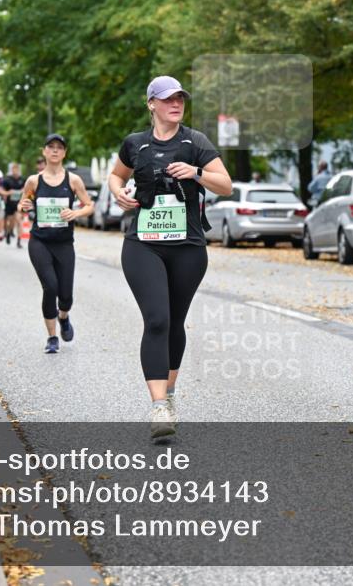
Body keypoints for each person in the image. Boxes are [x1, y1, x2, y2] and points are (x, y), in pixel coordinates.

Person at [108, 75, 232, 441]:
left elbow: (226, 185)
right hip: (142, 243)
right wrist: (119, 194)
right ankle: (159, 406)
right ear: (152, 104)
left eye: (179, 98)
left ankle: (170, 394)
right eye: (167, 99)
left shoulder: (195, 142)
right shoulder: (135, 144)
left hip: (188, 247)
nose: (175, 104)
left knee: (175, 321)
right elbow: (116, 177)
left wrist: (196, 173)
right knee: (157, 319)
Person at [17, 134, 94, 353]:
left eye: (59, 148)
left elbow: (89, 206)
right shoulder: (34, 181)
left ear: (64, 153)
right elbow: (23, 203)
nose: (54, 151)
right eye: (50, 147)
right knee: (50, 286)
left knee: (66, 296)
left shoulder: (73, 180)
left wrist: (76, 212)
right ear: (44, 151)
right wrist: (23, 205)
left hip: (64, 243)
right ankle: (52, 338)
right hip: (39, 241)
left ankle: (64, 316)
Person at [0, 163, 26, 248]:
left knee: (19, 221)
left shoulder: (22, 179)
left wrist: (23, 191)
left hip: (19, 204)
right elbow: (1, 191)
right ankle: (8, 232)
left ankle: (19, 241)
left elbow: (27, 190)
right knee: (10, 222)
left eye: (17, 169)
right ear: (11, 170)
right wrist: (8, 192)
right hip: (9, 204)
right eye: (14, 169)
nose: (16, 171)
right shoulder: (7, 180)